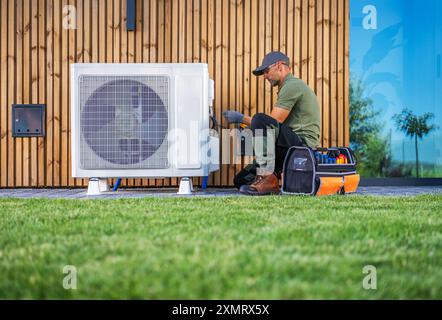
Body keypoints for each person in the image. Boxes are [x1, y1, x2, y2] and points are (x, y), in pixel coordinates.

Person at [223, 51, 320, 195]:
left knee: (261, 119)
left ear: (279, 66)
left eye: (266, 71)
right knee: (241, 180)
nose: (265, 76)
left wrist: (240, 118)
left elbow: (273, 123)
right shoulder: (287, 87)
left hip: (302, 148)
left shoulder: (292, 85)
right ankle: (269, 179)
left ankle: (268, 177)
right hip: (287, 148)